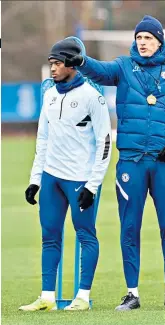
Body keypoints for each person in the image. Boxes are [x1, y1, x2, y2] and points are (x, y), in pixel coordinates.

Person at [60, 15, 165, 311]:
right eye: (139, 38)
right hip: (131, 163)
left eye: (148, 38)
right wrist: (81, 61)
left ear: (159, 41)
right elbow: (99, 71)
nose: (142, 42)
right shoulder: (123, 67)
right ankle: (131, 294)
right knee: (129, 228)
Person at [19, 37, 112, 312]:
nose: (53, 69)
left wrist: (92, 184)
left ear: (72, 64)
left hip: (80, 179)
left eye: (58, 63)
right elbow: (42, 139)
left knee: (86, 235)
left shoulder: (92, 97)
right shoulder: (48, 94)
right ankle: (47, 297)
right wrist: (36, 180)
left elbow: (105, 142)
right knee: (49, 235)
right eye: (51, 63)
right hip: (51, 177)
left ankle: (82, 297)